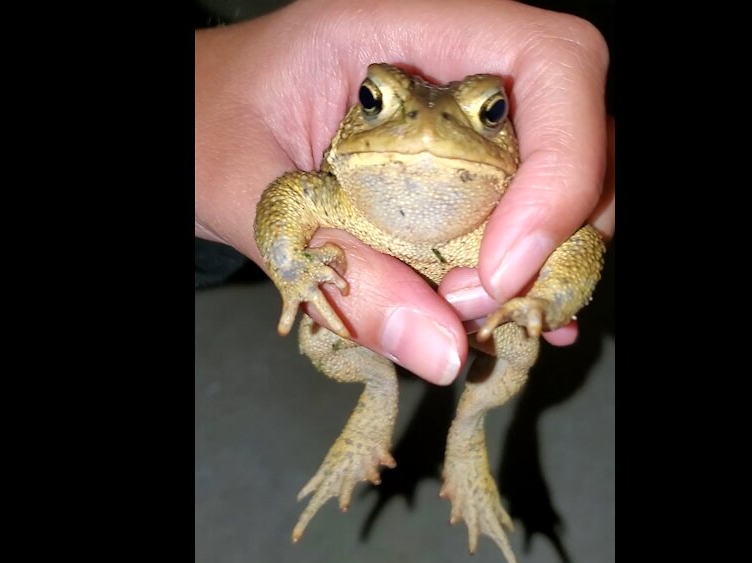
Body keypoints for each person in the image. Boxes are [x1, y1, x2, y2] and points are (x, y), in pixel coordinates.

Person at [194, 0, 614, 385]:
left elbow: (578, 243)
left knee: (508, 357)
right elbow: (288, 195)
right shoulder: (336, 198)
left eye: (490, 113)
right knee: (338, 349)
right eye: (373, 101)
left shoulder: (503, 224)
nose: (428, 131)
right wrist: (289, 268)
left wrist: (547, 302)